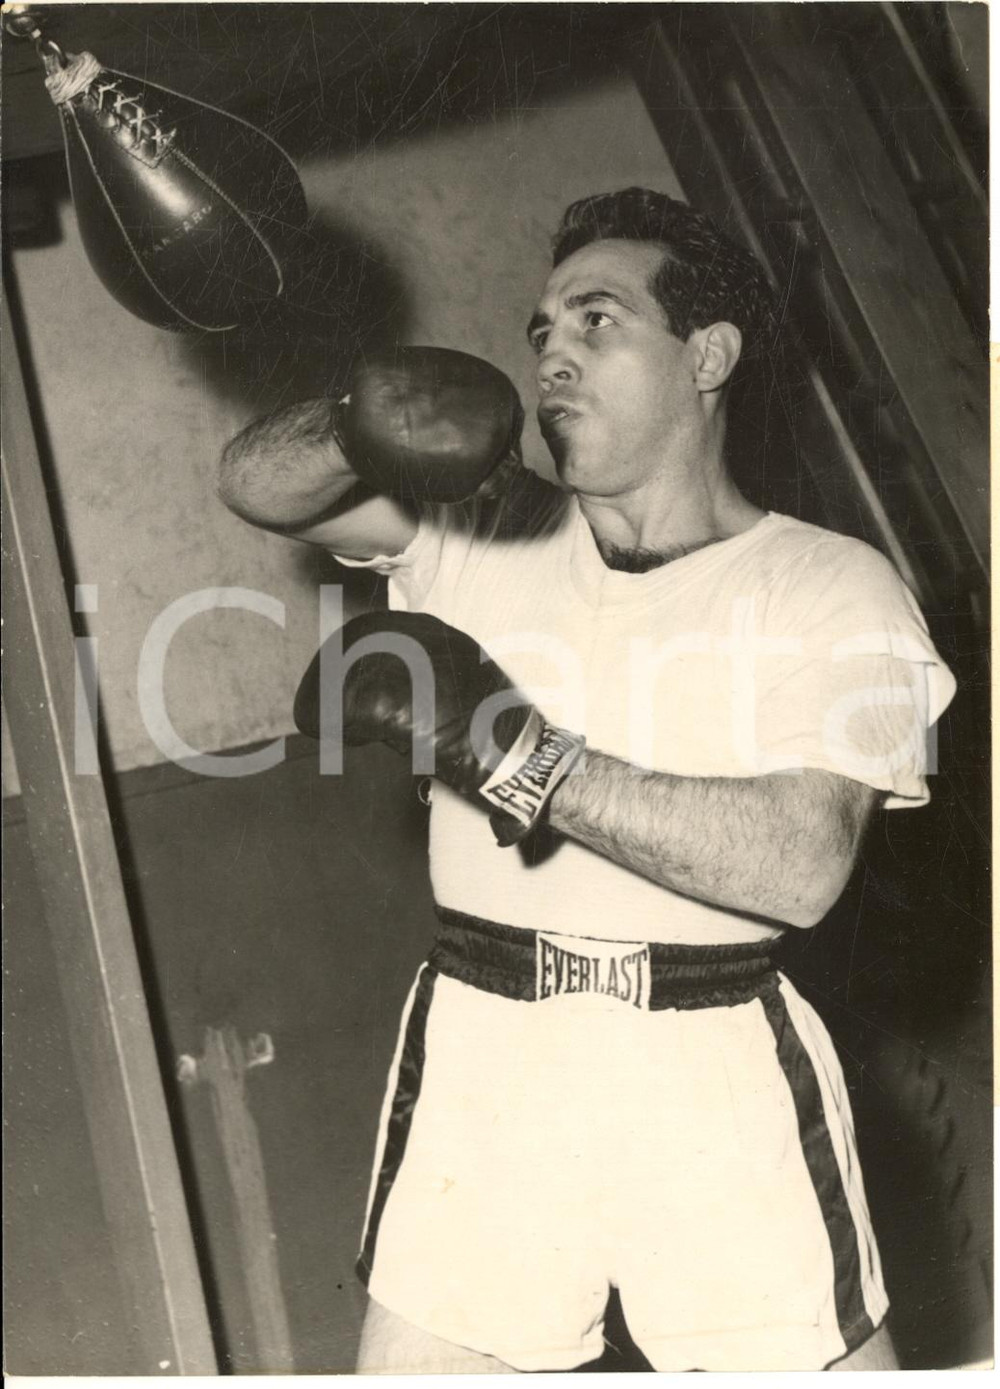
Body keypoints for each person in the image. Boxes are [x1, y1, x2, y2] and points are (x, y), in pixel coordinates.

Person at [218, 188, 955, 1372]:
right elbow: (255, 483)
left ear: (706, 355)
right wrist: (360, 420)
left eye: (596, 321)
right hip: (486, 1052)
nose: (552, 355)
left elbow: (803, 864)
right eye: (539, 332)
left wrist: (521, 754)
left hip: (705, 1060)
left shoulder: (829, 583)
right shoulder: (483, 526)